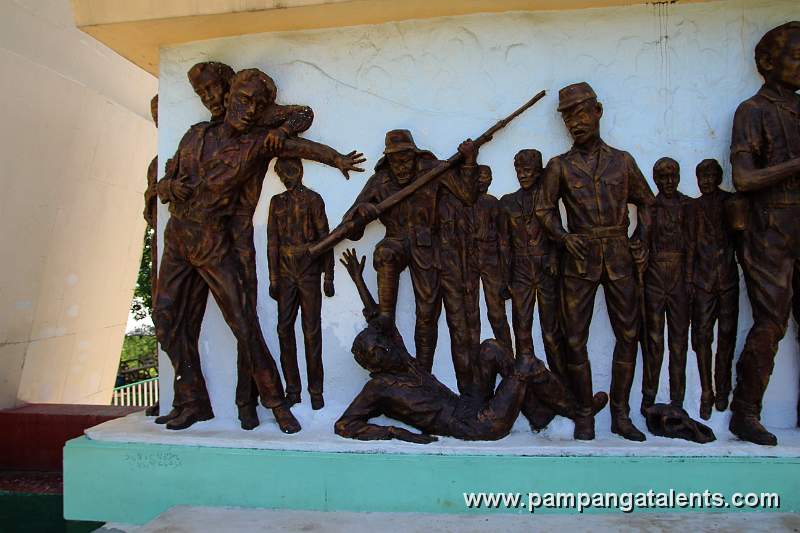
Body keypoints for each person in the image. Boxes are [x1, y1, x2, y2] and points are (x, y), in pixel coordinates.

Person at [154, 68, 364, 431]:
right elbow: (165, 180)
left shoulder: (257, 143)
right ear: (230, 94)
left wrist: (338, 159)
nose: (250, 110)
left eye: (258, 104)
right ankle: (191, 401)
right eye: (244, 99)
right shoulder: (194, 136)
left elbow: (304, 141)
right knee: (166, 319)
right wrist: (170, 188)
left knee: (242, 322)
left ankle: (276, 402)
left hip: (211, 239)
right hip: (177, 236)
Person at [334, 249, 606, 443]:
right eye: (377, 352)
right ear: (371, 364)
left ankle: (536, 412)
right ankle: (580, 413)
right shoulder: (378, 387)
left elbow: (377, 318)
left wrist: (358, 280)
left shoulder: (400, 360)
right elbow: (345, 425)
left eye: (382, 344)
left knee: (490, 348)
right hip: (476, 425)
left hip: (468, 403)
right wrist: (395, 433)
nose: (385, 348)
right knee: (526, 364)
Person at [186, 62, 317, 417]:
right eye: (203, 94)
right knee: (193, 320)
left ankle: (251, 402)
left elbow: (303, 118)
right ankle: (235, 404)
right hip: (199, 238)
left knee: (244, 318)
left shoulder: (256, 121)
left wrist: (285, 129)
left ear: (229, 88)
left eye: (214, 89)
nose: (210, 98)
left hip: (237, 237)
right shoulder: (202, 136)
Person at [535, 82, 654, 441]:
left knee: (629, 335)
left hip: (619, 253)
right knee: (574, 339)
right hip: (579, 256)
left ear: (598, 111)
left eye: (582, 112)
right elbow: (543, 208)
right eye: (569, 116)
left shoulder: (623, 161)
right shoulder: (559, 166)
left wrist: (640, 238)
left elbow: (647, 202)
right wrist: (563, 237)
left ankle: (621, 414)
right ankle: (584, 412)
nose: (576, 121)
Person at [342, 131, 480, 394]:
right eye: (396, 161)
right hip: (396, 240)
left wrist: (470, 161)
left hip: (426, 246)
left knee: (427, 314)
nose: (402, 167)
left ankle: (423, 377)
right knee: (384, 253)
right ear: (388, 161)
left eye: (406, 160)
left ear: (415, 156)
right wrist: (362, 214)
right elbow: (350, 227)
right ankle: (384, 316)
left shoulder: (434, 169)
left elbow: (467, 196)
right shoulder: (380, 181)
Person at [728, 22, 800, 445]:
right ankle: (745, 410)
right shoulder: (752, 110)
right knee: (771, 323)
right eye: (795, 56)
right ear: (768, 64)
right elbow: (743, 178)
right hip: (770, 229)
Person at [267, 157, 334, 410]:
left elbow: (325, 238)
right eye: (282, 172)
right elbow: (271, 241)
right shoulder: (276, 203)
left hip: (308, 270)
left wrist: (329, 275)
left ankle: (316, 392)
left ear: (301, 171)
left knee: (311, 331)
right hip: (285, 271)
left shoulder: (313, 200)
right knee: (284, 329)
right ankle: (292, 390)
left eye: (291, 170)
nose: (287, 176)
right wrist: (273, 277)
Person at [500, 150, 564, 379]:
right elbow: (504, 244)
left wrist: (554, 258)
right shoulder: (507, 203)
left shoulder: (548, 200)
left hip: (545, 266)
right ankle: (525, 378)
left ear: (538, 173)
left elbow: (556, 232)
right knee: (522, 326)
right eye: (519, 170)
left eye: (527, 171)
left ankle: (559, 379)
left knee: (551, 330)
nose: (522, 175)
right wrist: (505, 278)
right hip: (520, 268)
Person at [641, 157, 694, 416]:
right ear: (655, 179)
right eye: (662, 177)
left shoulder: (688, 206)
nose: (668, 182)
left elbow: (695, 244)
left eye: (672, 176)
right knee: (653, 340)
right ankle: (648, 398)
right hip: (654, 276)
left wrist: (691, 279)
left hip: (680, 277)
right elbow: (641, 239)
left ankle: (677, 400)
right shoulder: (650, 207)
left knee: (679, 341)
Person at [689, 159, 739, 419]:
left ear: (719, 177)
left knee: (727, 335)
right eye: (701, 176)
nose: (706, 181)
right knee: (702, 337)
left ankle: (723, 387)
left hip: (728, 279)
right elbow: (689, 248)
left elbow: (742, 240)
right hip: (703, 281)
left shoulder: (731, 203)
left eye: (710, 176)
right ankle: (706, 391)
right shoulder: (693, 207)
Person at [466, 165, 513, 355]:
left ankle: (508, 354)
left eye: (488, 177)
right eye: (481, 177)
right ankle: (473, 360)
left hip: (491, 259)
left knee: (496, 312)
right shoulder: (464, 203)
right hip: (470, 260)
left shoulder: (493, 203)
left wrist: (506, 275)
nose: (484, 181)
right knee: (470, 312)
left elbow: (504, 238)